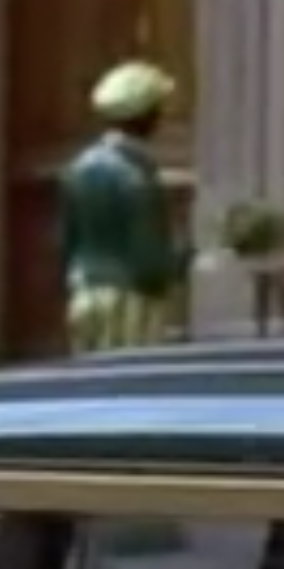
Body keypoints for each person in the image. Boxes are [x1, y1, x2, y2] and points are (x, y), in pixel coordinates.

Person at [58, 60, 186, 353]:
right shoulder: (135, 175)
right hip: (130, 298)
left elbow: (67, 239)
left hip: (84, 293)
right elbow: (147, 252)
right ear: (147, 116)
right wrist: (177, 264)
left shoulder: (77, 169)